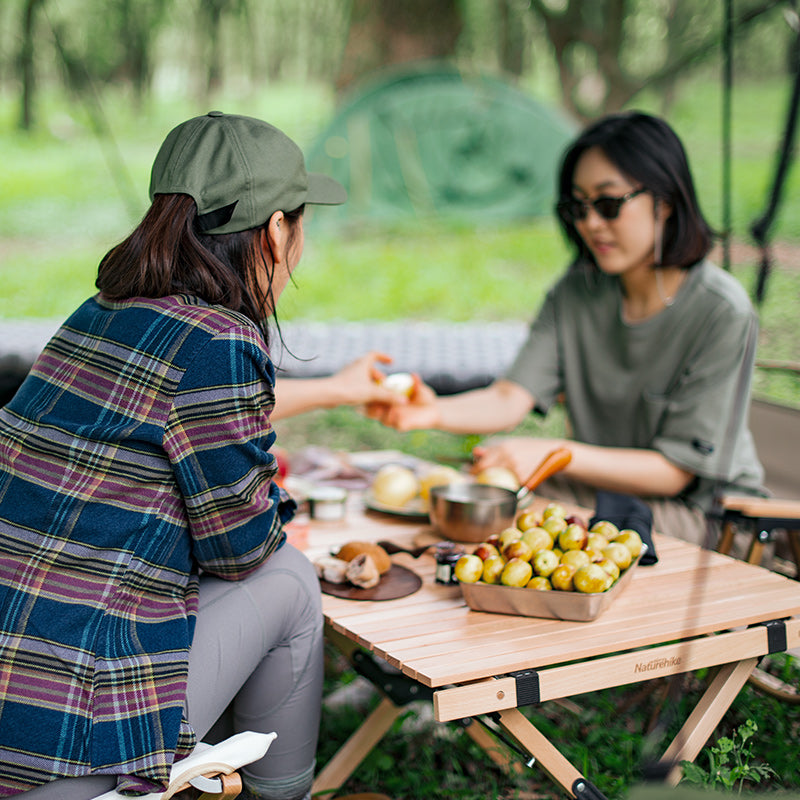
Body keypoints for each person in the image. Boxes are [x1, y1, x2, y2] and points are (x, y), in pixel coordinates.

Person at [0, 112, 402, 800]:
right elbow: (240, 550)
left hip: (17, 681)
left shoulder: (95, 314)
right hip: (61, 739)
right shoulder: (219, 340)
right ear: (277, 230)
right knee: (292, 580)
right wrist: (273, 510)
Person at [376, 111, 765, 547]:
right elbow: (510, 397)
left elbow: (675, 472)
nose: (591, 223)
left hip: (704, 516)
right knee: (486, 495)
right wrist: (433, 411)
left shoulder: (721, 311)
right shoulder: (577, 291)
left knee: (522, 524)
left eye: (609, 204)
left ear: (666, 200)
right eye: (578, 207)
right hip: (608, 496)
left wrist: (554, 455)